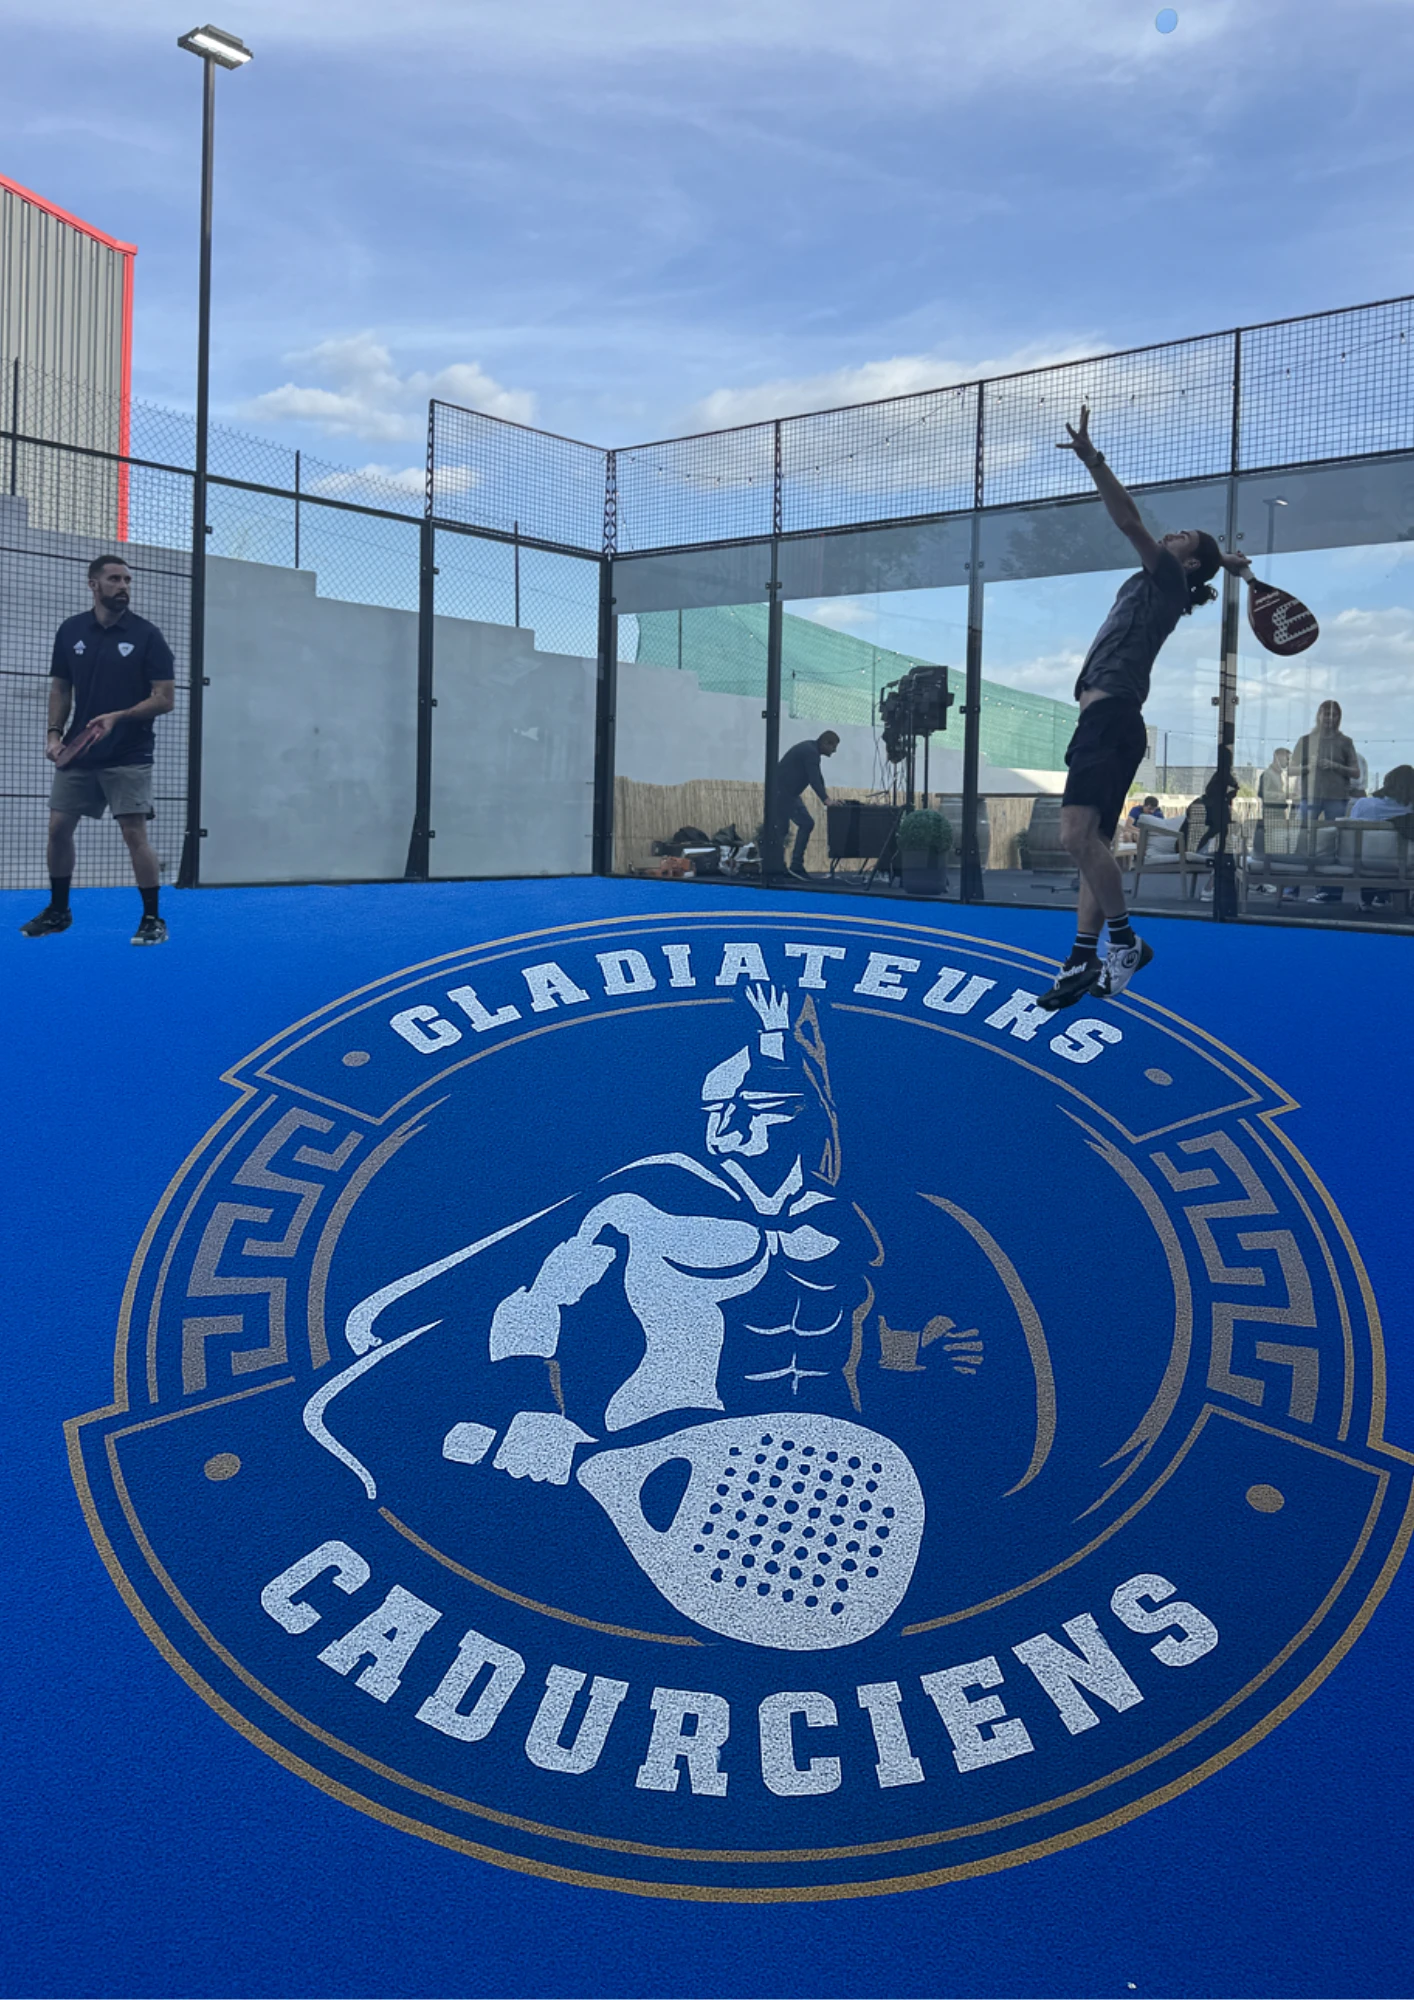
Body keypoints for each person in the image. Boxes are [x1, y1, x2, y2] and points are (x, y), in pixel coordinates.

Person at [1037, 407, 1251, 1011]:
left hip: (1110, 721)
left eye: (1181, 537)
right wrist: (1223, 562)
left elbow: (1129, 520)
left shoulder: (1167, 579)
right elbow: (1187, 557)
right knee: (1094, 845)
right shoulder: (1174, 580)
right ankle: (1082, 956)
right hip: (1107, 722)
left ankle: (1125, 942)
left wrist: (1093, 461)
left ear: (1186, 563)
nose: (1169, 534)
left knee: (1075, 837)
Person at [21, 555, 176, 945]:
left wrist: (118, 717)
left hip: (129, 753)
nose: (123, 586)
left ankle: (153, 919)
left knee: (134, 833)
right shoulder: (71, 630)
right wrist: (54, 734)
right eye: (114, 579)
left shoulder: (148, 635)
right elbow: (61, 687)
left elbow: (164, 698)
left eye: (127, 580)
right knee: (58, 829)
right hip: (79, 751)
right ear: (93, 584)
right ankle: (59, 911)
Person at [1290, 701, 1361, 904]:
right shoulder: (1305, 741)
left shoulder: (1345, 742)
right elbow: (1291, 769)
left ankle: (1331, 892)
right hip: (1310, 797)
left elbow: (1356, 772)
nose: (1330, 718)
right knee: (1302, 840)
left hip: (1336, 798)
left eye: (1334, 715)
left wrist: (1335, 766)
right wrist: (1308, 767)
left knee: (1336, 842)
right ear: (1319, 715)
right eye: (1326, 714)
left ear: (1339, 718)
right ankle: (1291, 888)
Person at [1337, 763, 1414, 911]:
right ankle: (1387, 897)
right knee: (1396, 855)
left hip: (1363, 861)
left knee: (1371, 848)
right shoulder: (1410, 811)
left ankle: (1368, 899)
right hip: (1402, 864)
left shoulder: (1365, 804)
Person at [767, 730, 839, 881]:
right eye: (833, 747)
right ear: (825, 743)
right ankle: (792, 866)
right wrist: (826, 800)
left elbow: (818, 777)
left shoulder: (810, 750)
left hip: (785, 793)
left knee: (785, 829)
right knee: (800, 825)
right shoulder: (810, 752)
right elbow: (814, 779)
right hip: (782, 793)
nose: (835, 751)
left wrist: (827, 797)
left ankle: (782, 866)